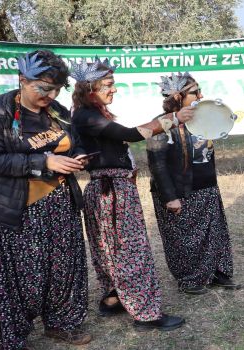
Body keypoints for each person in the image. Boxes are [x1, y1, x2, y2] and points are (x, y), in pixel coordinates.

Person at [0, 50, 91, 349]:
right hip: (16, 209)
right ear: (22, 80)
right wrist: (43, 162)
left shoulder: (58, 112)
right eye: (43, 88)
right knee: (20, 279)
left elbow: (72, 142)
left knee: (65, 268)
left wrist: (77, 158)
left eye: (55, 89)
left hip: (60, 203)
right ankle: (15, 338)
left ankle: (62, 323)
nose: (50, 95)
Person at [71, 59, 192, 330]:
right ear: (91, 87)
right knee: (129, 250)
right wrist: (172, 119)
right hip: (112, 192)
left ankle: (113, 299)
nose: (114, 90)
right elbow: (131, 134)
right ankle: (146, 314)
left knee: (112, 250)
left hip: (110, 190)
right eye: (108, 85)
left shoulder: (90, 114)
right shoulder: (87, 116)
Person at [147, 72, 240, 295]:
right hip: (180, 193)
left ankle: (217, 272)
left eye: (199, 90)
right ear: (178, 97)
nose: (201, 95)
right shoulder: (162, 124)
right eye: (195, 92)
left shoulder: (201, 118)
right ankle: (190, 278)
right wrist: (170, 197)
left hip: (207, 188)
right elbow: (157, 165)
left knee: (214, 233)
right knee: (184, 240)